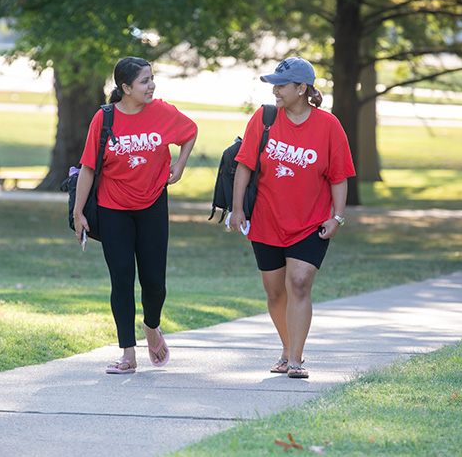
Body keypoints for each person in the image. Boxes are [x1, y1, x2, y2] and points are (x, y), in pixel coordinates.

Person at [229, 57, 355, 379]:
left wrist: (336, 218)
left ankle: (296, 360)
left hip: (310, 223)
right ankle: (287, 349)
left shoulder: (329, 126)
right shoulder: (265, 118)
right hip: (266, 219)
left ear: (302, 89)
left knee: (298, 284)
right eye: (274, 84)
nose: (275, 91)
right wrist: (237, 209)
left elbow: (339, 176)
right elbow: (244, 164)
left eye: (281, 85)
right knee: (275, 293)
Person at [73, 57, 198, 374]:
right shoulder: (105, 118)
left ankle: (152, 326)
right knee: (122, 277)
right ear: (125, 88)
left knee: (154, 281)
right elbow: (89, 167)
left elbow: (190, 132)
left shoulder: (163, 112)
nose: (151, 85)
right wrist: (78, 213)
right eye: (144, 81)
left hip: (153, 204)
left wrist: (180, 164)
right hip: (113, 208)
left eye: (152, 78)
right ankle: (128, 354)